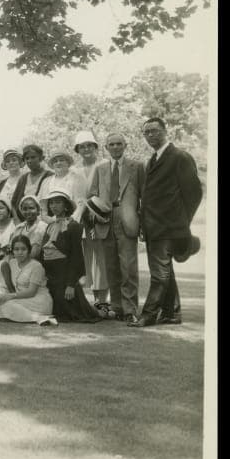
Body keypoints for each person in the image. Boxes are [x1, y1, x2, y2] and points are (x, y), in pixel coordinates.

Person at [132, 117, 203, 328]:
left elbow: (194, 193)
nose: (151, 135)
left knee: (159, 274)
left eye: (154, 130)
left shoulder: (180, 157)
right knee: (165, 271)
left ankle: (148, 315)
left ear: (165, 131)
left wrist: (181, 221)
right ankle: (171, 313)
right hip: (154, 227)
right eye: (147, 132)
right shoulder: (151, 160)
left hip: (169, 228)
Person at [87, 131, 147, 325]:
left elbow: (144, 197)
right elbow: (91, 196)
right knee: (111, 266)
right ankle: (117, 307)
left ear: (125, 145)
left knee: (128, 267)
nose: (115, 147)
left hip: (127, 219)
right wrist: (96, 216)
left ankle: (130, 310)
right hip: (105, 220)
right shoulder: (100, 169)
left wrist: (143, 224)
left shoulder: (137, 167)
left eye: (118, 144)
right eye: (111, 144)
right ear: (106, 147)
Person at [40, 190, 100, 323]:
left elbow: (76, 256)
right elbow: (43, 253)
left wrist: (71, 284)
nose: (54, 206)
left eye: (58, 202)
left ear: (66, 205)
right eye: (51, 203)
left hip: (64, 273)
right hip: (51, 274)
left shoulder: (74, 226)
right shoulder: (49, 226)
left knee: (70, 309)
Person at [72, 130, 111, 314]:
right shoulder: (75, 171)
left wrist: (96, 211)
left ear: (96, 147)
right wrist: (82, 212)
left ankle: (104, 300)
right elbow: (76, 196)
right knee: (89, 258)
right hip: (83, 219)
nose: (86, 149)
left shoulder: (105, 164)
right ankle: (96, 300)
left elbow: (108, 192)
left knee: (102, 258)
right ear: (77, 150)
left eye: (90, 145)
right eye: (82, 146)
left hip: (102, 216)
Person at [0, 235, 57, 326]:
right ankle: (36, 317)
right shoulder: (12, 263)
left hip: (38, 300)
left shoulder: (36, 266)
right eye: (16, 249)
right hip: (21, 299)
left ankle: (39, 317)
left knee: (7, 305)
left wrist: (10, 296)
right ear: (13, 251)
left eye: (23, 249)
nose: (20, 252)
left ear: (29, 250)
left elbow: (31, 292)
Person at [9, 144, 54, 217]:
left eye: (33, 157)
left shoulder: (50, 176)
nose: (29, 161)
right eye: (27, 158)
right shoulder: (23, 178)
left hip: (44, 220)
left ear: (40, 158)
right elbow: (13, 203)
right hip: (24, 221)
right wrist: (16, 219)